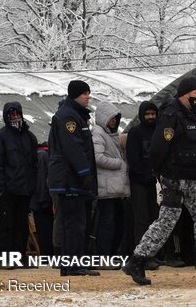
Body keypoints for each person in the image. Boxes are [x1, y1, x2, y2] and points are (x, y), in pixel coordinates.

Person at [123, 77, 196, 285]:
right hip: (175, 178)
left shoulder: (190, 115)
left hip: (193, 177)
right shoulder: (170, 115)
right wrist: (163, 175)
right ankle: (137, 261)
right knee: (166, 222)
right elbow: (157, 148)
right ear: (185, 94)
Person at [48, 80, 99, 277]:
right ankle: (72, 265)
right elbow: (74, 148)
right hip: (69, 180)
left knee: (77, 223)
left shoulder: (76, 115)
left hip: (72, 179)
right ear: (75, 95)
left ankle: (73, 264)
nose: (88, 96)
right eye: (85, 93)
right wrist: (84, 173)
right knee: (73, 224)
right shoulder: (68, 117)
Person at [0, 102, 38, 269]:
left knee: (22, 225)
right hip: (8, 190)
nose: (15, 116)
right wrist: (1, 188)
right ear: (6, 116)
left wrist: (32, 185)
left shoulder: (29, 137)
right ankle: (3, 259)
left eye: (17, 113)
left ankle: (20, 257)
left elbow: (34, 163)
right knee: (6, 224)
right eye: (11, 114)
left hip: (24, 189)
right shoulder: (0, 137)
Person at [92, 102, 130, 264]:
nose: (114, 121)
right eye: (112, 118)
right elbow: (97, 157)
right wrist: (119, 164)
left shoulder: (110, 134)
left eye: (116, 118)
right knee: (107, 224)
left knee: (116, 223)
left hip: (114, 188)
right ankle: (104, 257)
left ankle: (112, 255)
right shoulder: (98, 133)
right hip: (107, 189)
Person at [126, 101, 161, 269]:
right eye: (147, 114)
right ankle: (140, 256)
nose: (150, 117)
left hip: (155, 181)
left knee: (155, 219)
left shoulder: (158, 131)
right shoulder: (135, 133)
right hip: (139, 182)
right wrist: (145, 175)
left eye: (153, 114)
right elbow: (132, 159)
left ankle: (152, 254)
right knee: (141, 219)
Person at [30, 142, 54, 256]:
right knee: (46, 231)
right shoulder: (43, 155)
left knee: (43, 231)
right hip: (42, 201)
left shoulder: (39, 155)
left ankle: (47, 255)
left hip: (39, 200)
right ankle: (48, 256)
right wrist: (44, 199)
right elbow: (41, 180)